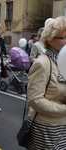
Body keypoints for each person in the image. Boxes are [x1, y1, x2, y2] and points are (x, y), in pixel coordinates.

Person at [27, 16, 66, 149]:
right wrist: (64, 109)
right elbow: (35, 100)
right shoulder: (42, 64)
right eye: (64, 38)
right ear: (50, 40)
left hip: (63, 127)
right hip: (46, 129)